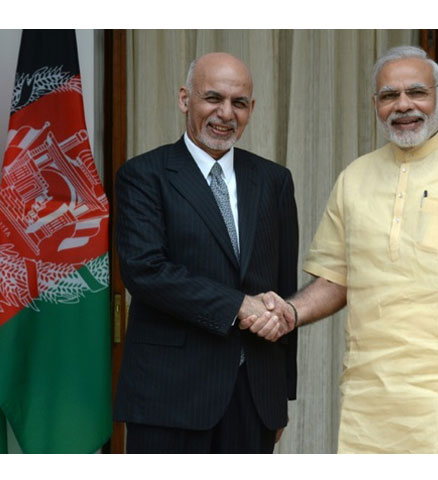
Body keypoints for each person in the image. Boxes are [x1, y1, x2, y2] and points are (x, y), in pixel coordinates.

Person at [242, 46, 438, 453]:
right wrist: (291, 312)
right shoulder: (354, 178)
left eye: (416, 92)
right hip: (370, 406)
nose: (403, 105)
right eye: (389, 96)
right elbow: (336, 279)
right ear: (375, 104)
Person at [113, 52, 298, 453]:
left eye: (239, 103)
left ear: (251, 109)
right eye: (213, 98)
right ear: (185, 99)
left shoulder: (274, 180)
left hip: (254, 397)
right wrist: (239, 306)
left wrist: (281, 394)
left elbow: (284, 289)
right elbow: (146, 272)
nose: (225, 113)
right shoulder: (143, 175)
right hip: (169, 397)